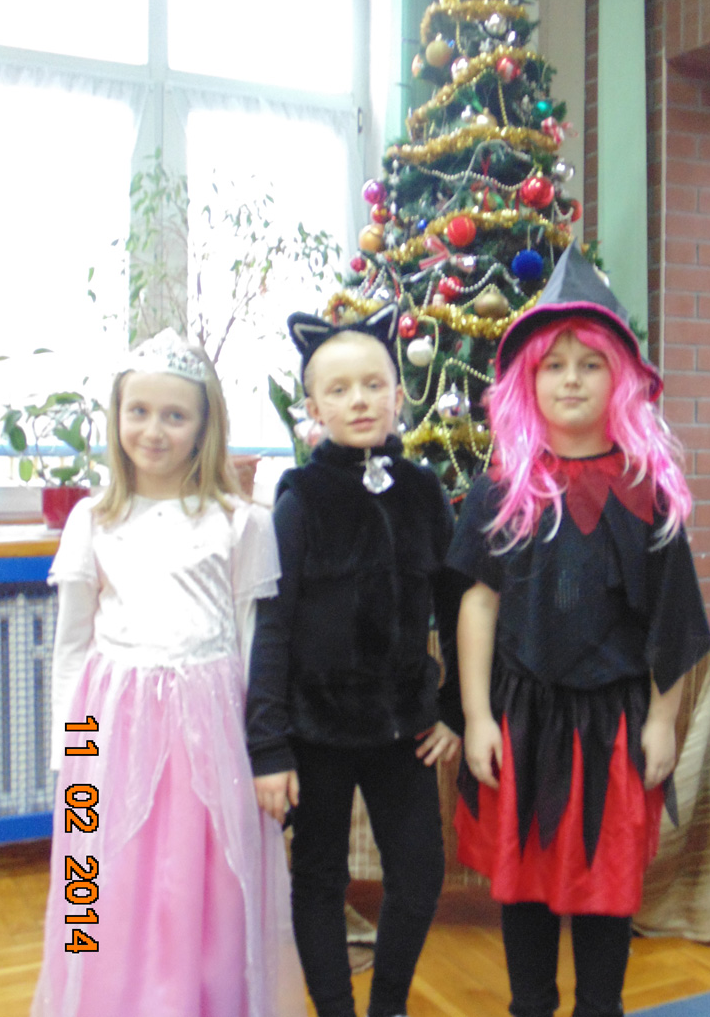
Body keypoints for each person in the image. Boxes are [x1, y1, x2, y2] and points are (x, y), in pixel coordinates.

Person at [447, 242, 710, 1017]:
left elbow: (672, 620)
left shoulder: (645, 492)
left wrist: (661, 720)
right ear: (527, 380)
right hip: (521, 718)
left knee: (605, 886)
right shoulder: (502, 489)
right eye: (553, 365)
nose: (569, 379)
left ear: (618, 377)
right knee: (525, 885)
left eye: (588, 364)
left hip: (613, 723)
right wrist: (474, 717)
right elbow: (478, 604)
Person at [31, 330, 305, 1017]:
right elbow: (72, 645)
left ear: (204, 427)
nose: (153, 430)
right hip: (106, 728)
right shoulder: (92, 519)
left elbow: (251, 640)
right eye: (139, 411)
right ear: (117, 417)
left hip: (207, 731)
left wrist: (259, 748)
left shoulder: (240, 523)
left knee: (198, 878)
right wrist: (71, 753)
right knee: (98, 874)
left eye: (175, 415)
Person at [246, 303, 464, 1017]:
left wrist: (455, 710)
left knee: (420, 873)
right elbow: (272, 626)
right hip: (316, 729)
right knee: (318, 877)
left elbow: (456, 607)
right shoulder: (300, 499)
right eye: (338, 390)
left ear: (399, 394)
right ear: (314, 409)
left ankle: (388, 1005)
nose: (360, 400)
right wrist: (268, 745)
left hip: (404, 725)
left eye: (373, 385)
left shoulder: (425, 492)